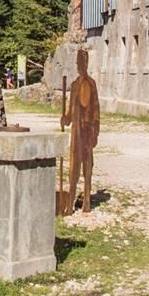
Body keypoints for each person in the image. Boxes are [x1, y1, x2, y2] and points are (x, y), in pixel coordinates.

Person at [58, 48, 101, 216]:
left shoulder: (91, 84)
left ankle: (87, 201)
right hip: (76, 133)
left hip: (87, 131)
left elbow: (96, 110)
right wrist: (65, 119)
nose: (79, 65)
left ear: (86, 63)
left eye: (82, 62)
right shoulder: (74, 85)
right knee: (74, 168)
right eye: (78, 63)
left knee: (87, 167)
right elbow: (69, 113)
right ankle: (70, 204)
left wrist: (95, 132)